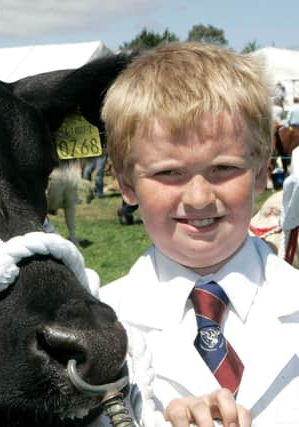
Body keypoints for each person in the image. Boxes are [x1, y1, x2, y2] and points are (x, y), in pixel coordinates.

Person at [98, 42, 299, 426]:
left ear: (260, 171)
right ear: (126, 184)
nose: (199, 198)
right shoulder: (99, 324)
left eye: (223, 168)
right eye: (169, 173)